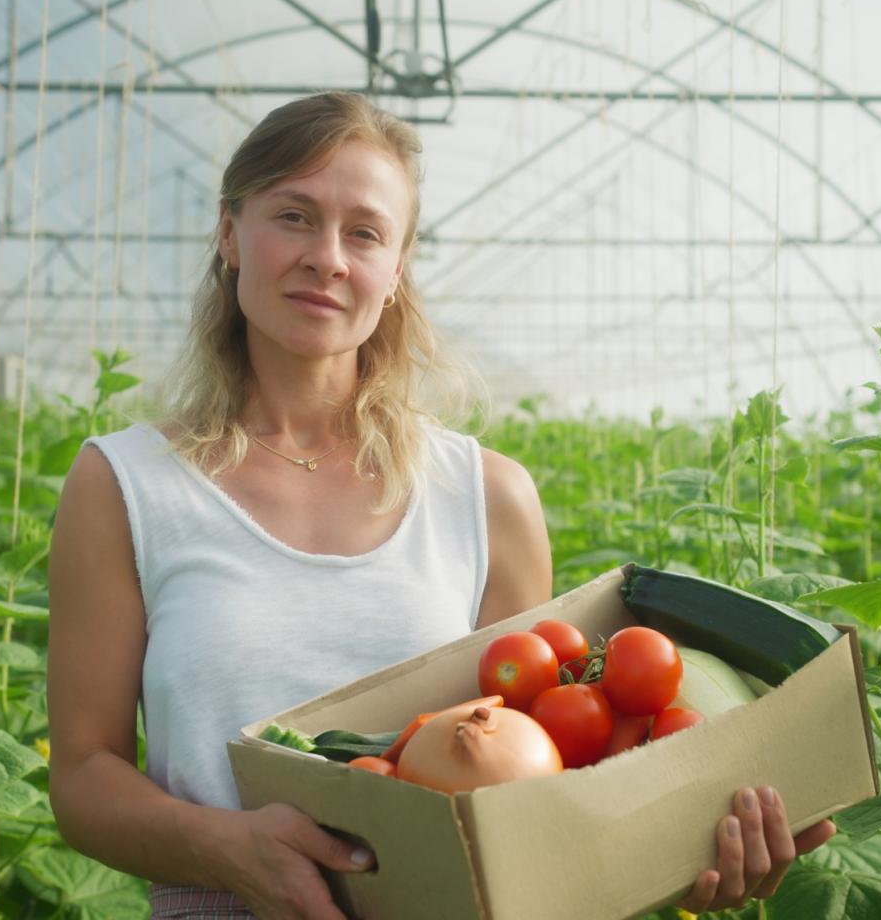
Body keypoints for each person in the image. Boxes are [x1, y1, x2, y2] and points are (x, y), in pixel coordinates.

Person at [47, 91, 834, 920]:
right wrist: (224, 847)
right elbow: (83, 776)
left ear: (397, 269)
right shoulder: (126, 484)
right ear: (228, 235)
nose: (327, 257)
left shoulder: (484, 496)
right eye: (293, 215)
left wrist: (677, 847)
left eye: (364, 232)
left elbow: (539, 788)